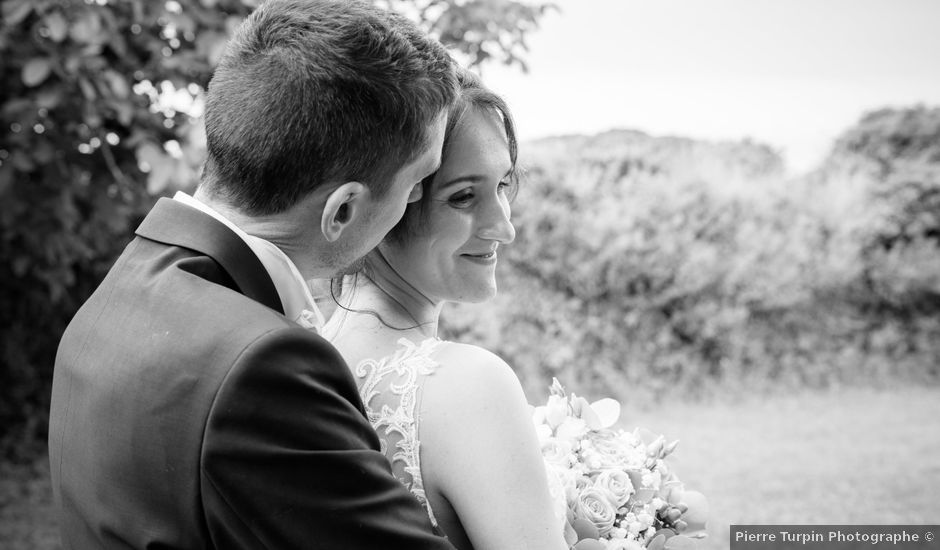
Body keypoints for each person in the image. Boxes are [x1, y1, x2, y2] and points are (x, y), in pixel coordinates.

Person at [48, 1, 460, 548]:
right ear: (341, 210)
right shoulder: (263, 368)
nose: (416, 202)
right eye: (418, 181)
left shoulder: (118, 292)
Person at [322, 69, 570, 550]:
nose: (504, 228)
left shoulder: (302, 355)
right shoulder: (470, 384)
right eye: (462, 197)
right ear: (393, 200)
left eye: (503, 185)